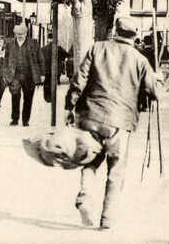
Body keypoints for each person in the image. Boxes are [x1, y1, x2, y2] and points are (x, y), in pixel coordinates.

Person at [65, 17, 159, 230]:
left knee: (89, 161)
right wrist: (156, 79)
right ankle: (107, 219)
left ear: (115, 30)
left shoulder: (96, 49)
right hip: (119, 123)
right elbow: (153, 93)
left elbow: (78, 81)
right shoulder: (140, 60)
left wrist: (68, 108)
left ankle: (85, 196)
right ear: (134, 36)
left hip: (90, 115)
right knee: (116, 171)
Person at [5, 23, 43, 126]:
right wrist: (6, 74)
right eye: (18, 34)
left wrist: (42, 74)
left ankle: (25, 120)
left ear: (26, 33)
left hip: (29, 76)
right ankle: (15, 119)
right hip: (15, 75)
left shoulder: (33, 44)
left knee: (28, 98)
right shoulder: (10, 44)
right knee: (15, 97)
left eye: (22, 34)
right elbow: (6, 59)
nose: (20, 35)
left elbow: (40, 59)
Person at [40, 31, 68, 102]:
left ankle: (47, 97)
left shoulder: (43, 49)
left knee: (46, 83)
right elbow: (66, 55)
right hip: (55, 69)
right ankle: (52, 97)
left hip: (46, 69)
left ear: (48, 39)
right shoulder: (58, 48)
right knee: (53, 83)